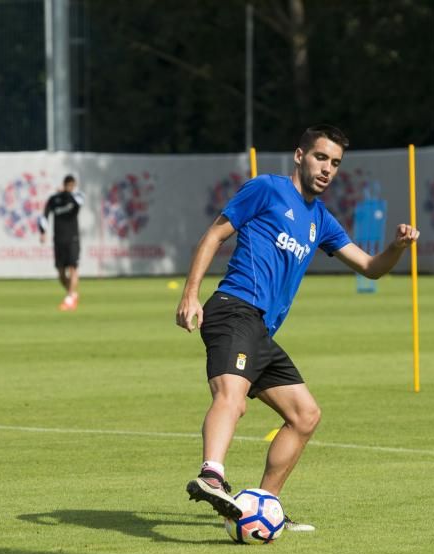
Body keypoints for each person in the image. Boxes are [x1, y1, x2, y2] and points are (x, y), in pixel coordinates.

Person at [175, 124, 419, 531]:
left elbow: (371, 268)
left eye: (335, 163)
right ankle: (211, 474)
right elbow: (215, 234)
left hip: (261, 330)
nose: (327, 169)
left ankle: (265, 506)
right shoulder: (266, 189)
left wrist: (396, 247)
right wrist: (190, 294)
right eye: (321, 157)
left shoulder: (320, 220)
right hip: (234, 309)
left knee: (305, 415)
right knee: (232, 398)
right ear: (300, 155)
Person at [39, 175, 84, 311]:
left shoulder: (75, 197)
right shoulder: (54, 200)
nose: (70, 187)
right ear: (64, 184)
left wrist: (67, 193)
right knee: (60, 273)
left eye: (72, 185)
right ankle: (72, 294)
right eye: (68, 185)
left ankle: (69, 298)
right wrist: (42, 232)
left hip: (73, 238)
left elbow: (80, 200)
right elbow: (44, 215)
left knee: (73, 268)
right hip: (59, 239)